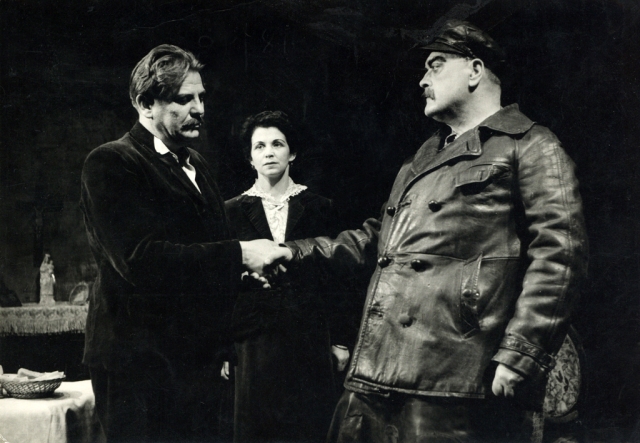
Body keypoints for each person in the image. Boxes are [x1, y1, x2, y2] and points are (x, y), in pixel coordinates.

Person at [262, 21, 588, 442]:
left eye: (436, 65)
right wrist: (294, 251)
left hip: (455, 376)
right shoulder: (423, 157)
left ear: (475, 70)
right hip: (378, 365)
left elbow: (561, 252)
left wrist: (521, 352)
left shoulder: (530, 144)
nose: (422, 79)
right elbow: (379, 238)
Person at [80, 44, 274, 443]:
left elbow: (203, 248)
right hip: (137, 366)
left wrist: (239, 277)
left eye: (201, 97)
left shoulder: (195, 164)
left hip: (194, 361)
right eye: (185, 100)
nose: (199, 109)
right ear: (145, 104)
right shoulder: (111, 162)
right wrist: (240, 254)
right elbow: (141, 260)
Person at [220, 110, 352, 442]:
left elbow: (339, 280)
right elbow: (220, 285)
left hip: (310, 339)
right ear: (250, 158)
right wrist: (222, 349)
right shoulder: (230, 211)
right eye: (260, 146)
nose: (269, 152)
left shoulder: (320, 206)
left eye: (277, 144)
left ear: (292, 153)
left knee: (311, 428)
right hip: (253, 344)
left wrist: (340, 340)